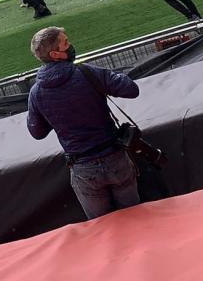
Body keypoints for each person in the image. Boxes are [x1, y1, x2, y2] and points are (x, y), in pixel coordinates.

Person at [25, 27, 140, 219]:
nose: (70, 45)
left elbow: (37, 132)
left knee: (101, 228)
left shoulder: (36, 93)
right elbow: (131, 89)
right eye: (66, 43)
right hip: (115, 159)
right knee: (136, 218)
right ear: (55, 54)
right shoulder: (87, 73)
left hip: (83, 168)